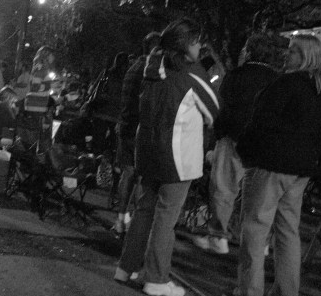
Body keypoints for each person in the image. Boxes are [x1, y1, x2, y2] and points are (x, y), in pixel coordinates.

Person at [115, 18, 220, 296]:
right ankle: (157, 280)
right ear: (186, 44)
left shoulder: (150, 67)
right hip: (177, 155)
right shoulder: (191, 73)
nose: (201, 47)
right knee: (166, 218)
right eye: (197, 42)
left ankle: (126, 268)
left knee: (144, 210)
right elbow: (213, 110)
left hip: (147, 150)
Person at [235, 34, 321, 296]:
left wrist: (244, 149)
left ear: (306, 57)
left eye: (293, 51)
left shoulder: (286, 84)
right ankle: (287, 291)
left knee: (255, 231)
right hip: (299, 170)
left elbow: (260, 122)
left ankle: (249, 291)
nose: (286, 55)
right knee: (288, 233)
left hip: (270, 165)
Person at [191, 32, 286, 255]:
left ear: (249, 51)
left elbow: (221, 106)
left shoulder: (235, 76)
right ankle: (258, 241)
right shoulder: (276, 79)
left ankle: (218, 236)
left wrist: (219, 134)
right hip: (263, 142)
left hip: (233, 136)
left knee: (223, 187)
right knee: (260, 194)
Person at [113, 31, 162, 235]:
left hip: (125, 126)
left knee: (128, 173)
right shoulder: (149, 71)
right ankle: (134, 224)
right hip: (139, 130)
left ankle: (120, 219)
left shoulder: (133, 68)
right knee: (142, 176)